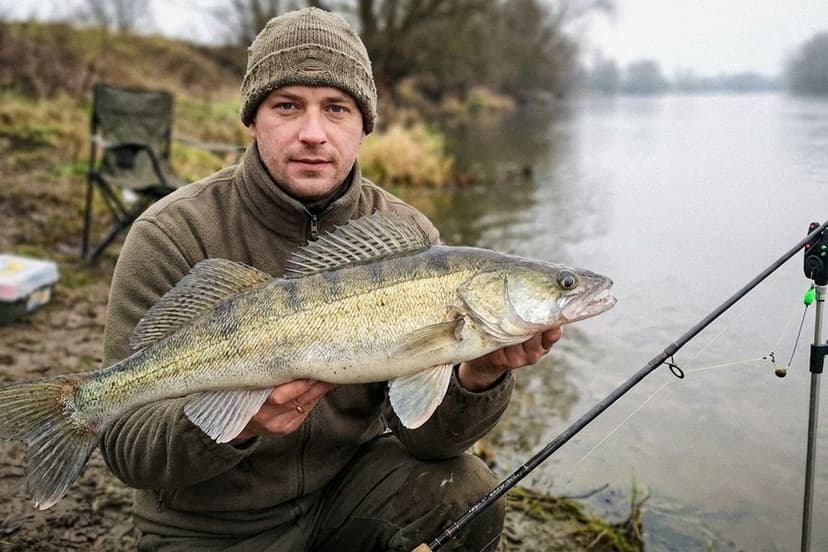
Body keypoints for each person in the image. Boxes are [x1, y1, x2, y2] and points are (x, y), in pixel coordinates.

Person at [100, 7, 561, 551]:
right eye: (287, 106)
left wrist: (476, 376)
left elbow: (428, 440)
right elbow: (124, 443)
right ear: (252, 119)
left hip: (344, 496)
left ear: (364, 125)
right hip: (210, 524)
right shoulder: (172, 232)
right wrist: (239, 423)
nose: (313, 134)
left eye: (337, 109)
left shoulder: (410, 235)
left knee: (465, 492)